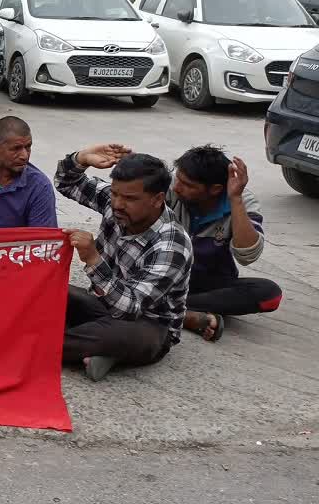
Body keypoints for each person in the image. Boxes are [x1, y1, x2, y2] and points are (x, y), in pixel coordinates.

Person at [57, 145, 192, 382]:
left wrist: (92, 259)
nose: (118, 204)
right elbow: (66, 183)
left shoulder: (171, 245)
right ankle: (99, 353)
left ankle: (38, 346)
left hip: (147, 325)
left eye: (129, 198)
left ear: (157, 199)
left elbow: (129, 308)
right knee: (49, 291)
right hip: (102, 305)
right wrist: (82, 158)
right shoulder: (117, 204)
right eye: (115, 194)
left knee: (108, 335)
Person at [168, 145, 282, 341]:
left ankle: (168, 306)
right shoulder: (170, 187)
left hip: (206, 283)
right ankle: (184, 313)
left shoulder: (242, 201)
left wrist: (235, 199)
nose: (177, 186)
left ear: (215, 189)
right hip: (163, 276)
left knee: (270, 294)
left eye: (187, 184)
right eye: (178, 178)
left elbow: (248, 255)